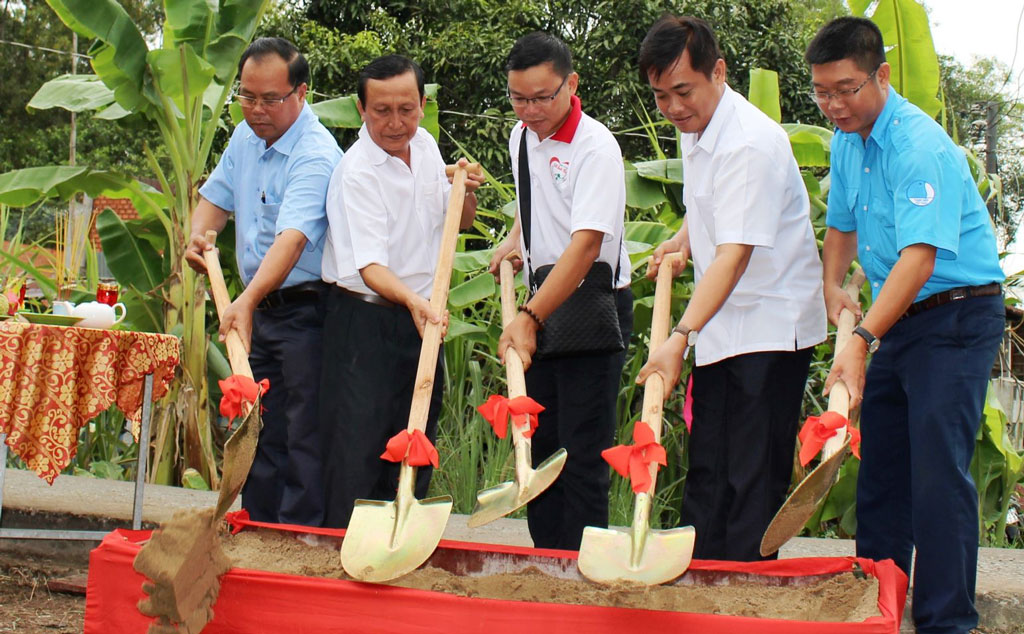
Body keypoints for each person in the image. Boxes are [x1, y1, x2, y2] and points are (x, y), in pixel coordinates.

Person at [806, 17, 1005, 633]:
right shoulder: (846, 141)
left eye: (846, 88)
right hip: (898, 321)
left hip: (958, 315)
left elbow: (919, 260)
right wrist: (832, 285)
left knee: (937, 473)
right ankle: (878, 611)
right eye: (822, 91)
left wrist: (862, 339)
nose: (834, 104)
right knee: (883, 471)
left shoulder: (917, 144)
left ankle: (947, 623)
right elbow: (841, 226)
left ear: (882, 76)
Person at [635, 15, 826, 562]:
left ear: (718, 72)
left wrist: (678, 337)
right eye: (660, 95)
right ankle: (702, 579)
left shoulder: (749, 143)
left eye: (682, 91)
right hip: (722, 322)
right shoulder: (697, 122)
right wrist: (682, 239)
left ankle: (745, 593)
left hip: (769, 325)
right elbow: (711, 202)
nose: (672, 107)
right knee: (710, 467)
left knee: (751, 476)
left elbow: (737, 256)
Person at [185, 37, 341, 526]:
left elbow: (292, 240)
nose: (256, 110)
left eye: (270, 99)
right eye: (247, 97)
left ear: (302, 93)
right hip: (258, 311)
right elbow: (216, 199)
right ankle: (256, 529)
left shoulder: (315, 153)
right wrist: (196, 236)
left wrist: (246, 301)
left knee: (301, 433)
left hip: (305, 312)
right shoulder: (244, 139)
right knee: (255, 427)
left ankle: (297, 542)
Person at [319, 54, 480, 528]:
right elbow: (370, 267)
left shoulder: (427, 147)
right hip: (364, 322)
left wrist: (464, 193)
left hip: (419, 318)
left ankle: (403, 549)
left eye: (406, 109)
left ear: (423, 104)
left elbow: (457, 221)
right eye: (382, 110)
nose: (395, 123)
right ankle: (344, 558)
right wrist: (415, 302)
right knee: (359, 449)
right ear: (360, 109)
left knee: (416, 438)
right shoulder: (357, 172)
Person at [491, 32, 633, 551]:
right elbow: (538, 206)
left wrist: (528, 317)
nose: (529, 110)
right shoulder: (520, 136)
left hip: (590, 308)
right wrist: (514, 240)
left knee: (581, 453)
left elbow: (586, 245)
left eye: (542, 97)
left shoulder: (595, 147)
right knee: (541, 443)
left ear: (571, 85)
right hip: (543, 301)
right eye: (518, 98)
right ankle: (547, 563)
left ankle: (584, 572)